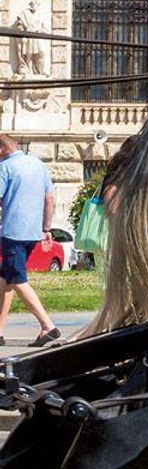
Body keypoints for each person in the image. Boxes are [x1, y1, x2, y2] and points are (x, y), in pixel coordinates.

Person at [0, 132, 61, 348]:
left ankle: (47, 326)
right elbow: (50, 198)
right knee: (5, 279)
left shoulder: (5, 168)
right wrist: (46, 228)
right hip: (33, 233)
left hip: (13, 232)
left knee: (17, 279)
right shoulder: (38, 164)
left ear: (2, 149)